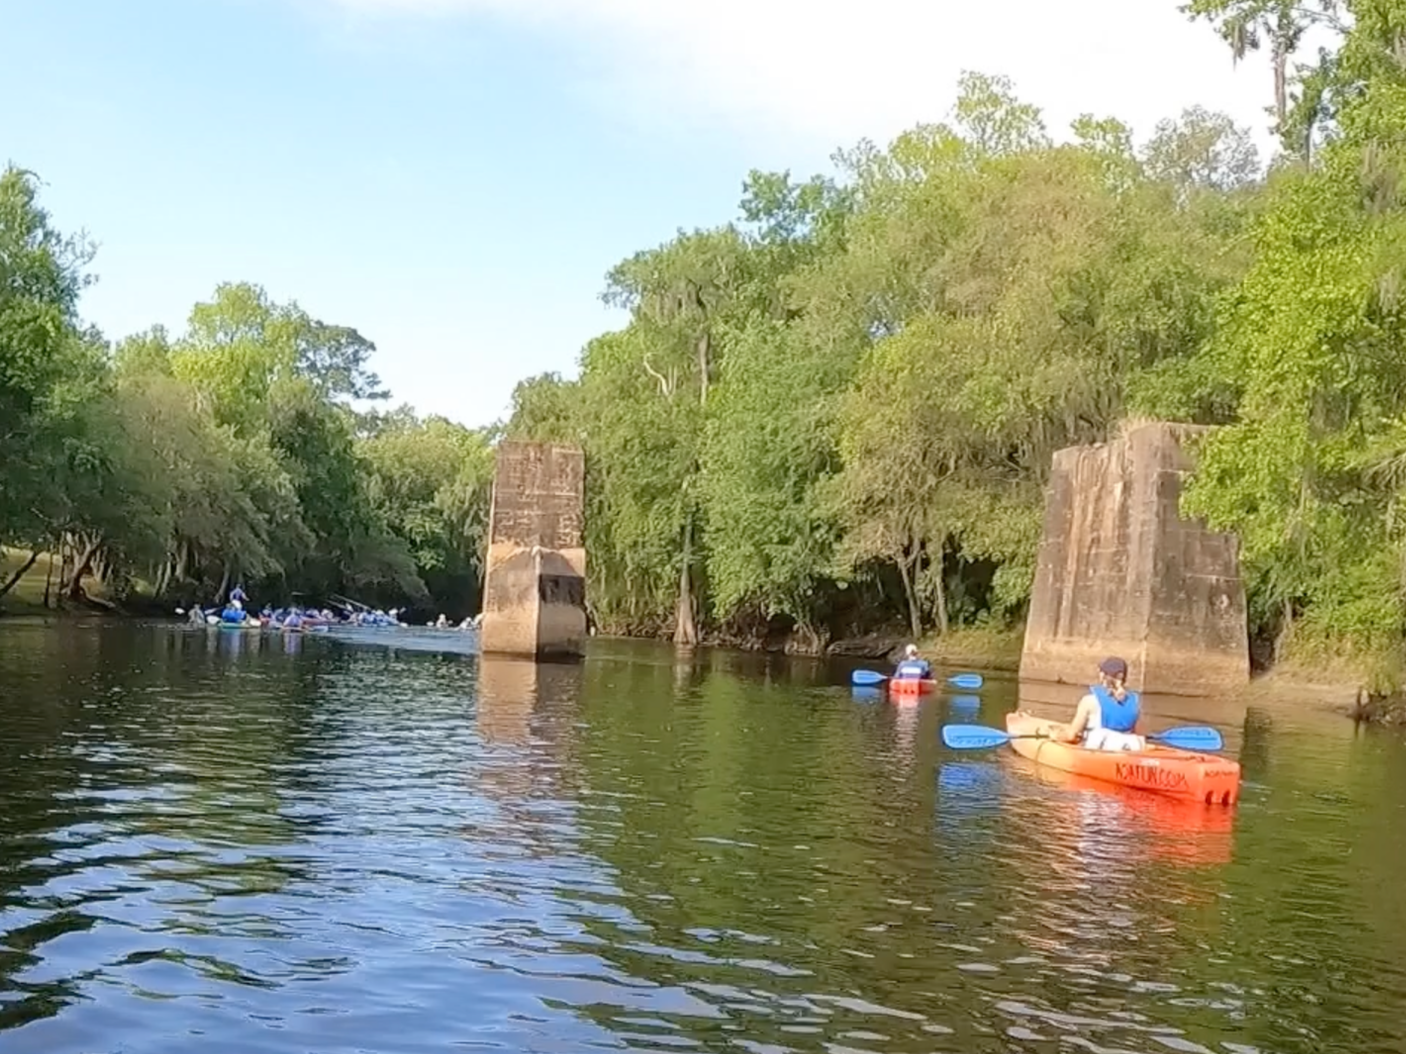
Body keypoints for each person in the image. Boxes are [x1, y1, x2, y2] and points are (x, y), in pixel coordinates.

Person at [1048, 656, 1144, 752]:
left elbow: (1071, 736)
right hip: (1127, 751)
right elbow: (1139, 735)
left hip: (1099, 752)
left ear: (1102, 675)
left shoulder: (1089, 701)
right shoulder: (1135, 701)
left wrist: (1055, 735)